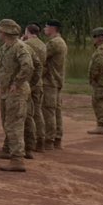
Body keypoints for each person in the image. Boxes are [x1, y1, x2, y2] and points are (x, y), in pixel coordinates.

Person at [0, 19, 33, 172]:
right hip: (6, 92)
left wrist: (17, 82)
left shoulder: (19, 47)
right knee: (7, 123)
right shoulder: (5, 47)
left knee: (14, 125)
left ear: (6, 32)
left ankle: (17, 159)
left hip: (16, 93)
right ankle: (8, 149)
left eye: (0, 30)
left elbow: (28, 66)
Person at [22, 24, 47, 156]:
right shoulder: (43, 45)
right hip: (39, 81)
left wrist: (22, 40)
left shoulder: (26, 44)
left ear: (27, 31)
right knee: (38, 112)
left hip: (29, 81)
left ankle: (28, 144)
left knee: (28, 114)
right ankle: (41, 141)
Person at [42, 20, 67, 149]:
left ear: (53, 28)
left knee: (48, 111)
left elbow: (41, 56)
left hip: (50, 81)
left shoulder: (54, 43)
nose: (44, 29)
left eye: (46, 26)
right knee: (56, 111)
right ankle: (57, 138)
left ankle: (49, 140)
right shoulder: (60, 41)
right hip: (56, 80)